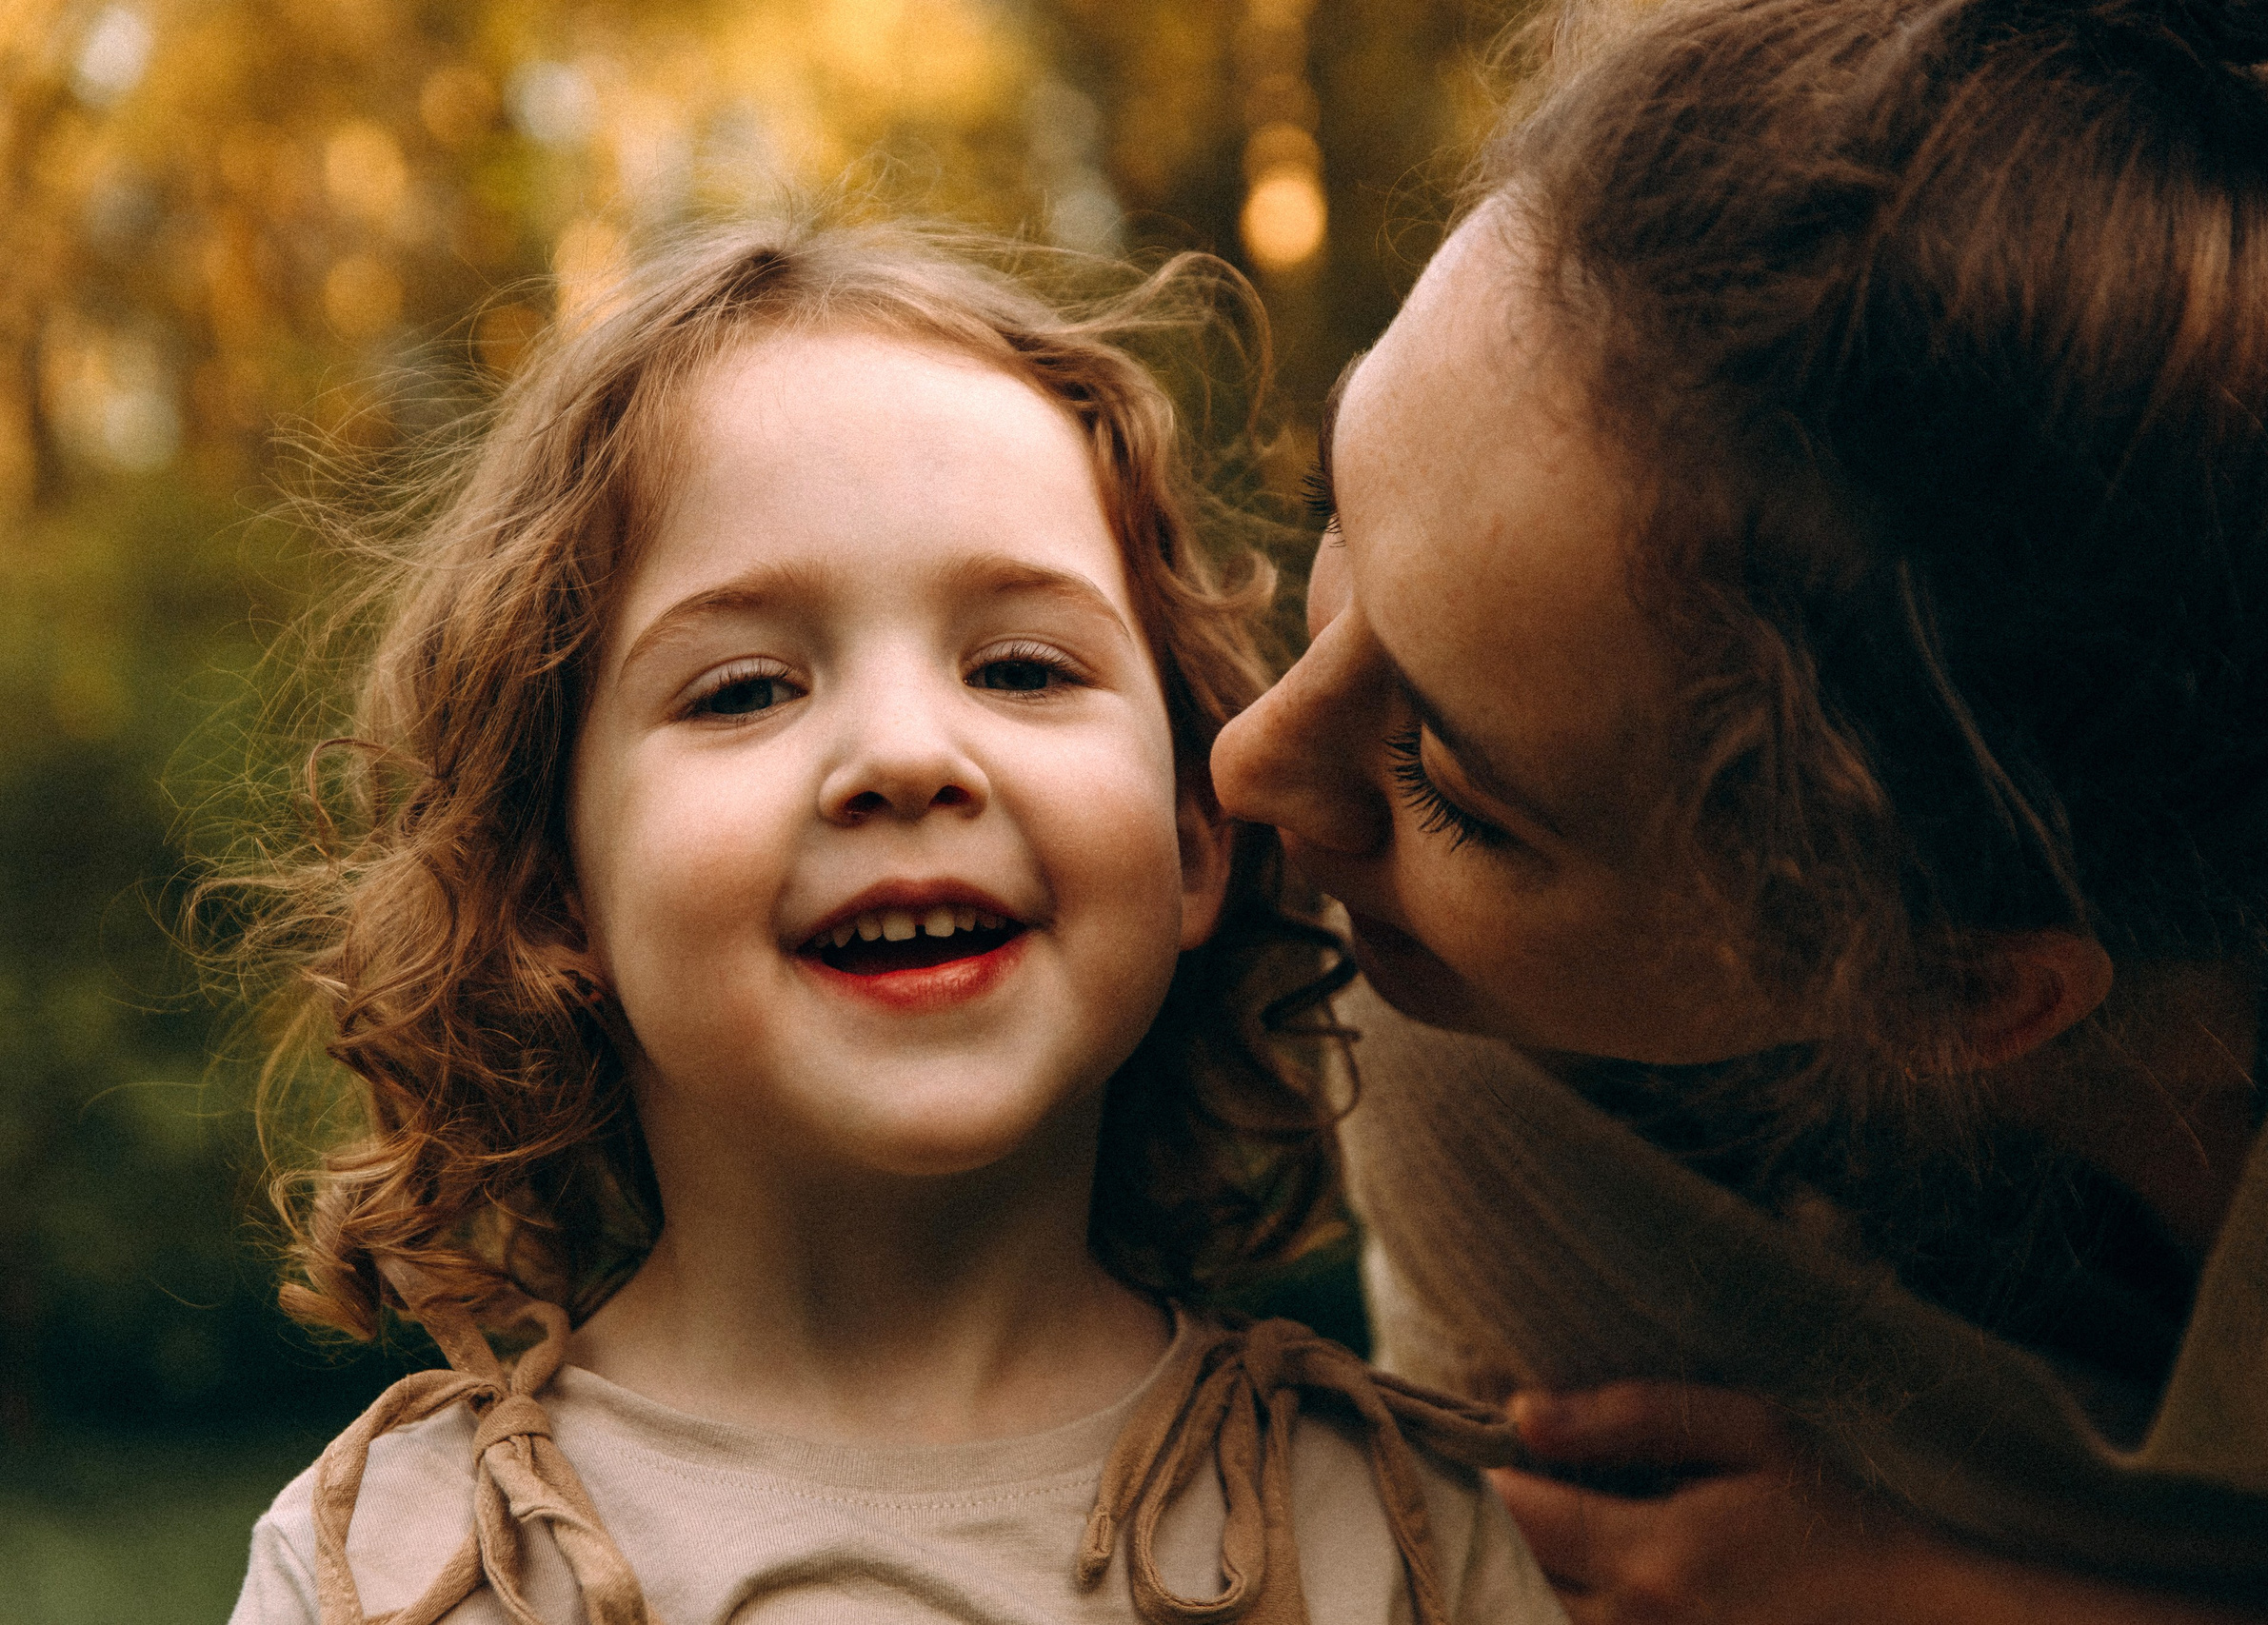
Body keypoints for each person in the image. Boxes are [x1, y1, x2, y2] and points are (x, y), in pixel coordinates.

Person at [1209, 0, 2268, 1617]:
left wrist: (1936, 1599)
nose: (1252, 765)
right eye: (1340, 520)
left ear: (1952, 987)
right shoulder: (1469, 1023)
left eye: (1449, 786)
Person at [216, 214, 1565, 1625]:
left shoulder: (1398, 1540)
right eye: (746, 690)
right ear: (552, 889)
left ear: (1189, 838)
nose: (908, 755)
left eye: (1023, 668)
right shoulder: (398, 1572)